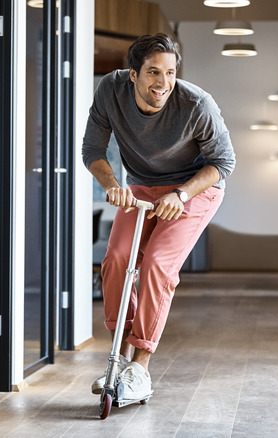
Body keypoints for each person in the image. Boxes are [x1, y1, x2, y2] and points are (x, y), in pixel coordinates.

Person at [81, 33, 236, 400]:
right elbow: (92, 148)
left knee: (158, 265)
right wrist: (113, 185)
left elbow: (224, 163)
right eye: (153, 72)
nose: (163, 83)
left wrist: (181, 194)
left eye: (170, 72)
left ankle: (140, 367)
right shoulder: (110, 90)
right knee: (117, 259)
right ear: (132, 74)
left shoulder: (196, 104)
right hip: (141, 186)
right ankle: (117, 359)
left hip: (194, 189)